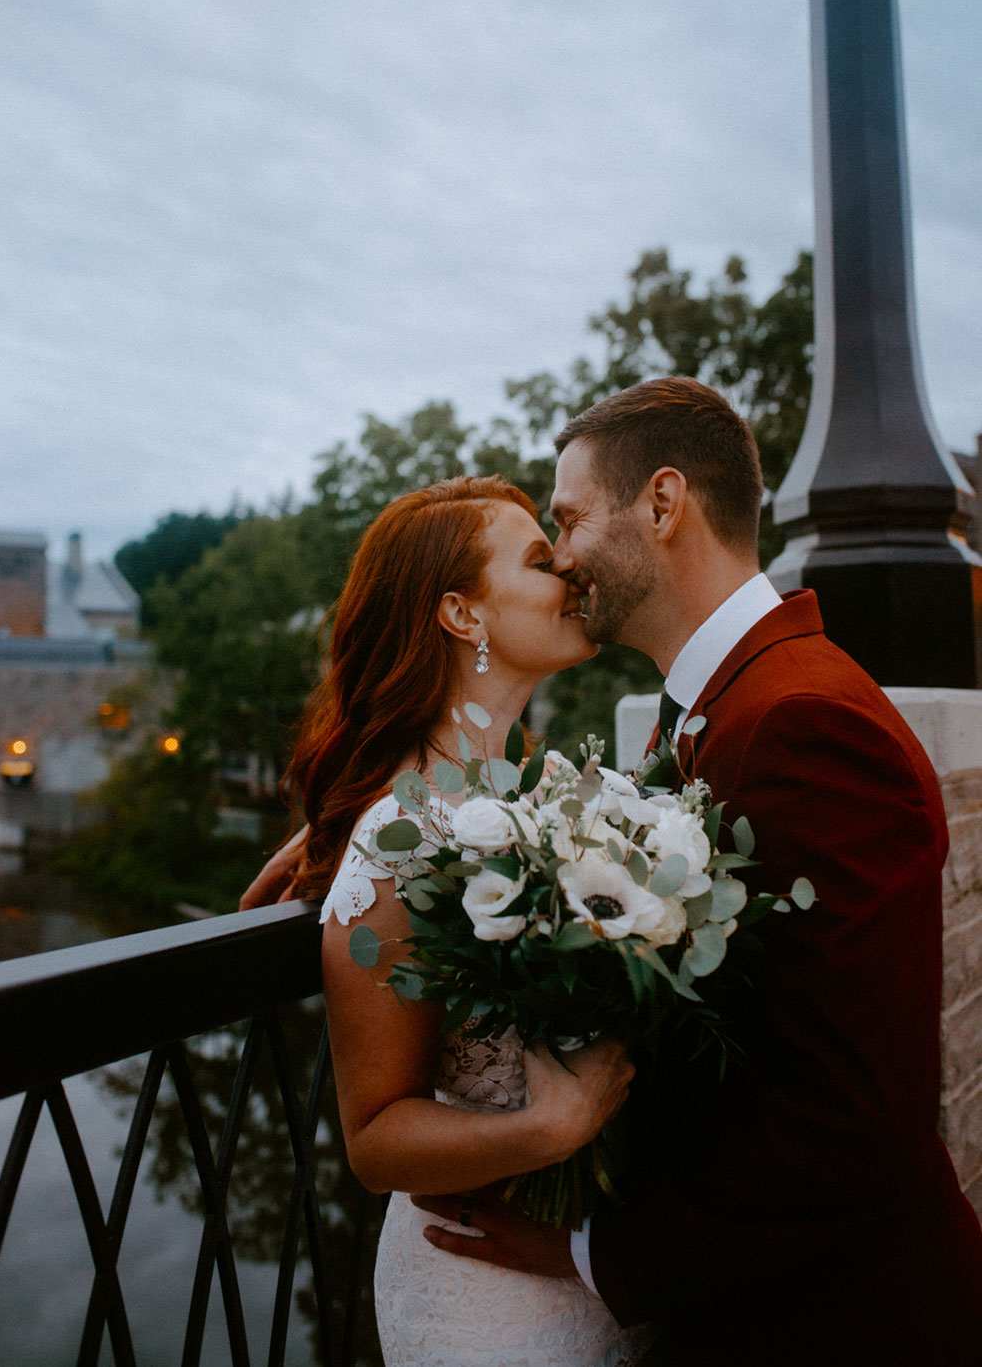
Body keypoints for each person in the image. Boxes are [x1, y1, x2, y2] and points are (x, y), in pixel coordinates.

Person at [407, 379, 982, 1366]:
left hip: (842, 1323)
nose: (558, 555)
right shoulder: (721, 704)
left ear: (663, 504)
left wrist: (600, 1252)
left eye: (570, 518)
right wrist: (390, 831)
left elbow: (855, 1120)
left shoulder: (803, 720)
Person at [246, 474, 652, 1367]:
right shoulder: (399, 845)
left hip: (584, 1270)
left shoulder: (544, 797)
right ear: (462, 617)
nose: (573, 570)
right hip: (483, 1296)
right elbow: (375, 1137)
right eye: (542, 561)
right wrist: (551, 1128)